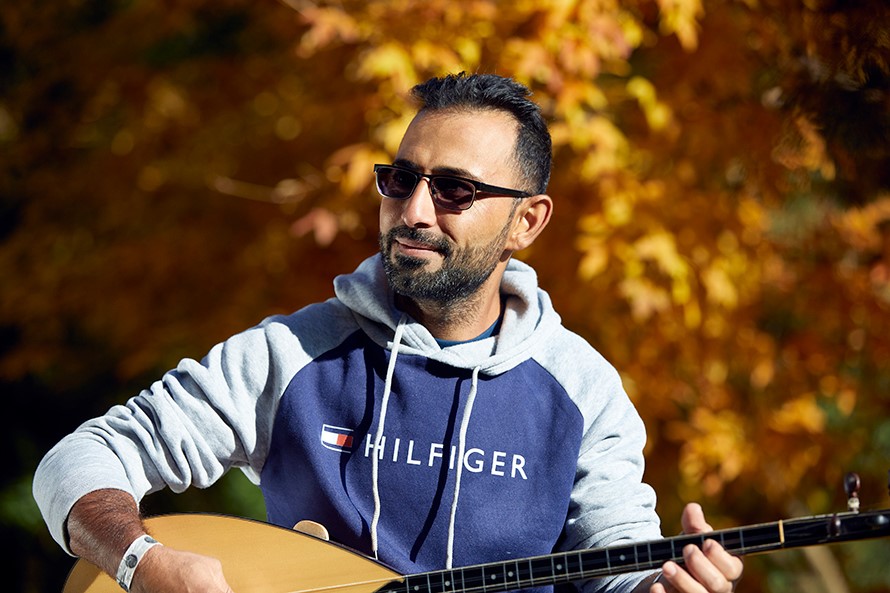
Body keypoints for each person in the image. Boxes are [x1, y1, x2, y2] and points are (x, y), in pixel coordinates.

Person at [33, 72, 743, 593]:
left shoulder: (583, 389)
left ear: (527, 222)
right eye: (401, 179)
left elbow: (617, 569)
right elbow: (77, 460)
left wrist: (665, 588)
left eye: (455, 190)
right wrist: (141, 561)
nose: (414, 210)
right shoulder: (295, 355)